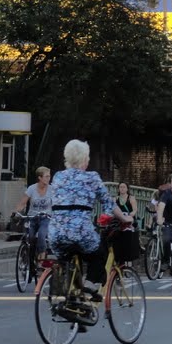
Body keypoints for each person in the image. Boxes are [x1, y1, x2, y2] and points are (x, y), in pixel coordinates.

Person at [48, 140, 129, 326]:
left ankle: (72, 301)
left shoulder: (58, 176)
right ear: (84, 159)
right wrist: (124, 219)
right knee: (98, 254)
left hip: (56, 234)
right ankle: (89, 289)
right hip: (80, 233)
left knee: (69, 256)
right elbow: (108, 203)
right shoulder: (92, 177)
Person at [13, 166, 54, 258]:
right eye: (46, 176)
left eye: (49, 176)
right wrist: (15, 213)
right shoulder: (32, 189)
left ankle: (41, 260)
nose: (49, 178)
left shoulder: (52, 189)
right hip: (32, 217)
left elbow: (57, 203)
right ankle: (29, 258)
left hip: (45, 218)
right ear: (40, 177)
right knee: (30, 237)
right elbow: (23, 203)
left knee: (41, 235)